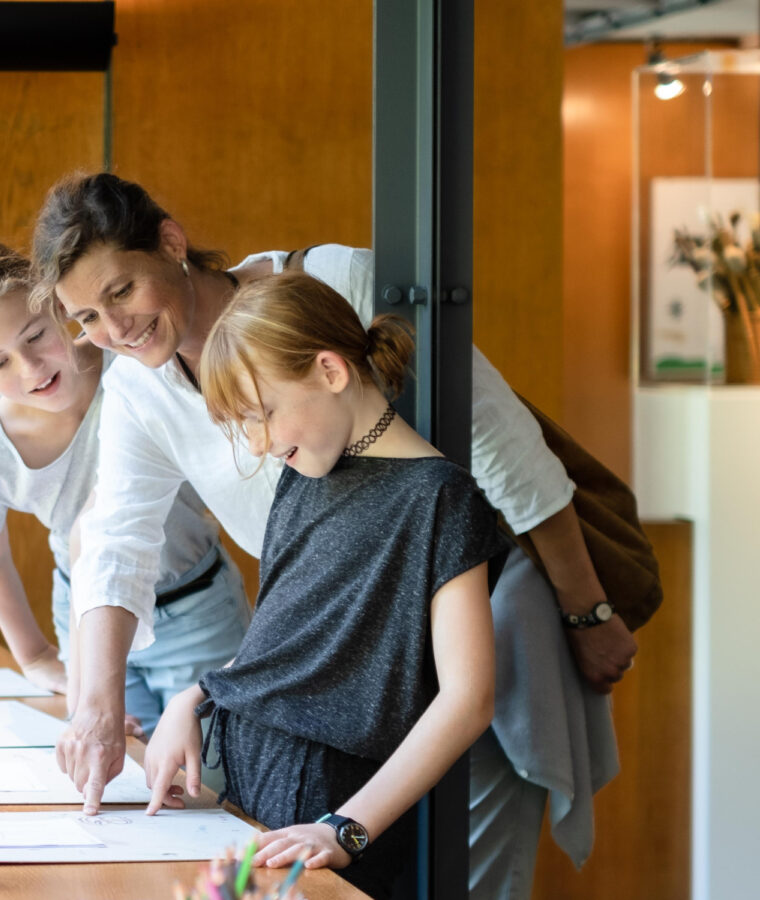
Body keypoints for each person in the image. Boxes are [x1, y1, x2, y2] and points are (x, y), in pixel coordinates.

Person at [31, 173, 631, 898]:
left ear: (170, 243)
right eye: (86, 318)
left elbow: (505, 450)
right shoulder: (257, 452)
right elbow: (123, 545)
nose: (114, 328)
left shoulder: (349, 306)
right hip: (319, 738)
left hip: (447, 649)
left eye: (122, 291)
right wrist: (153, 701)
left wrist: (586, 607)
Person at [144, 272, 502, 899]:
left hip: (331, 811)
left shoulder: (440, 499)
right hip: (253, 789)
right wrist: (192, 698)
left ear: (331, 371)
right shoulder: (306, 474)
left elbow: (468, 698)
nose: (258, 444)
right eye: (243, 424)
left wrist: (346, 828)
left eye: (263, 415)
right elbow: (287, 643)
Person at [0, 240, 251, 736]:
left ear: (60, 308)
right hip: (84, 617)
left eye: (35, 336)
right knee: (118, 763)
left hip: (195, 604)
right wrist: (35, 655)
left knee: (212, 763)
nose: (31, 368)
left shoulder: (137, 366)